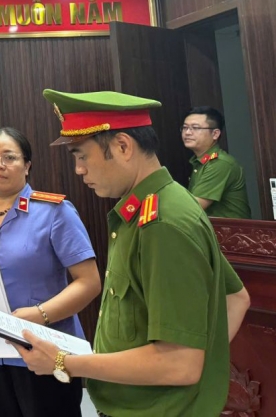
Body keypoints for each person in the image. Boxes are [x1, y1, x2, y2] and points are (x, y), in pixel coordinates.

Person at [12, 89, 251, 417]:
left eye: (82, 156)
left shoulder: (163, 222)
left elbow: (180, 363)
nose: (79, 170)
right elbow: (235, 298)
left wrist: (63, 362)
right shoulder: (151, 207)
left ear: (123, 146)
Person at [0, 127, 100, 417]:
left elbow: (89, 282)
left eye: (9, 157)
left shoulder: (55, 212)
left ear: (27, 165)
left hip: (45, 349)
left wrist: (39, 314)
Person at [182, 106, 251, 218]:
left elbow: (193, 208)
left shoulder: (220, 163)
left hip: (230, 229)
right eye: (185, 128)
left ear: (215, 134)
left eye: (195, 128)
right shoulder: (199, 161)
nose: (187, 132)